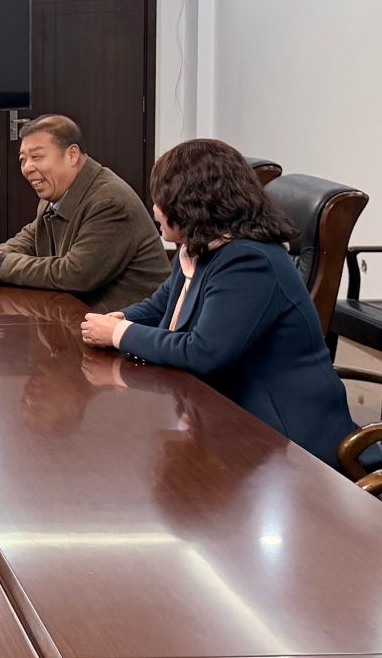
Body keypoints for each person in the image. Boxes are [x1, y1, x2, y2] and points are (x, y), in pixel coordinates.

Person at [79, 139, 354, 467]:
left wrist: (118, 334)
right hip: (234, 419)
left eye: (160, 199)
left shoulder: (248, 261)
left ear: (190, 203)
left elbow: (203, 352)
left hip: (288, 445)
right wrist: (119, 318)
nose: (154, 209)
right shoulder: (202, 247)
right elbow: (160, 305)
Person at [0, 115, 170, 312]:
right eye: (23, 159)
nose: (27, 168)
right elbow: (33, 236)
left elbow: (76, 274)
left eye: (37, 157)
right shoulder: (55, 192)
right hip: (80, 317)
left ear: (72, 155)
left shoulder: (109, 202)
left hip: (131, 328)